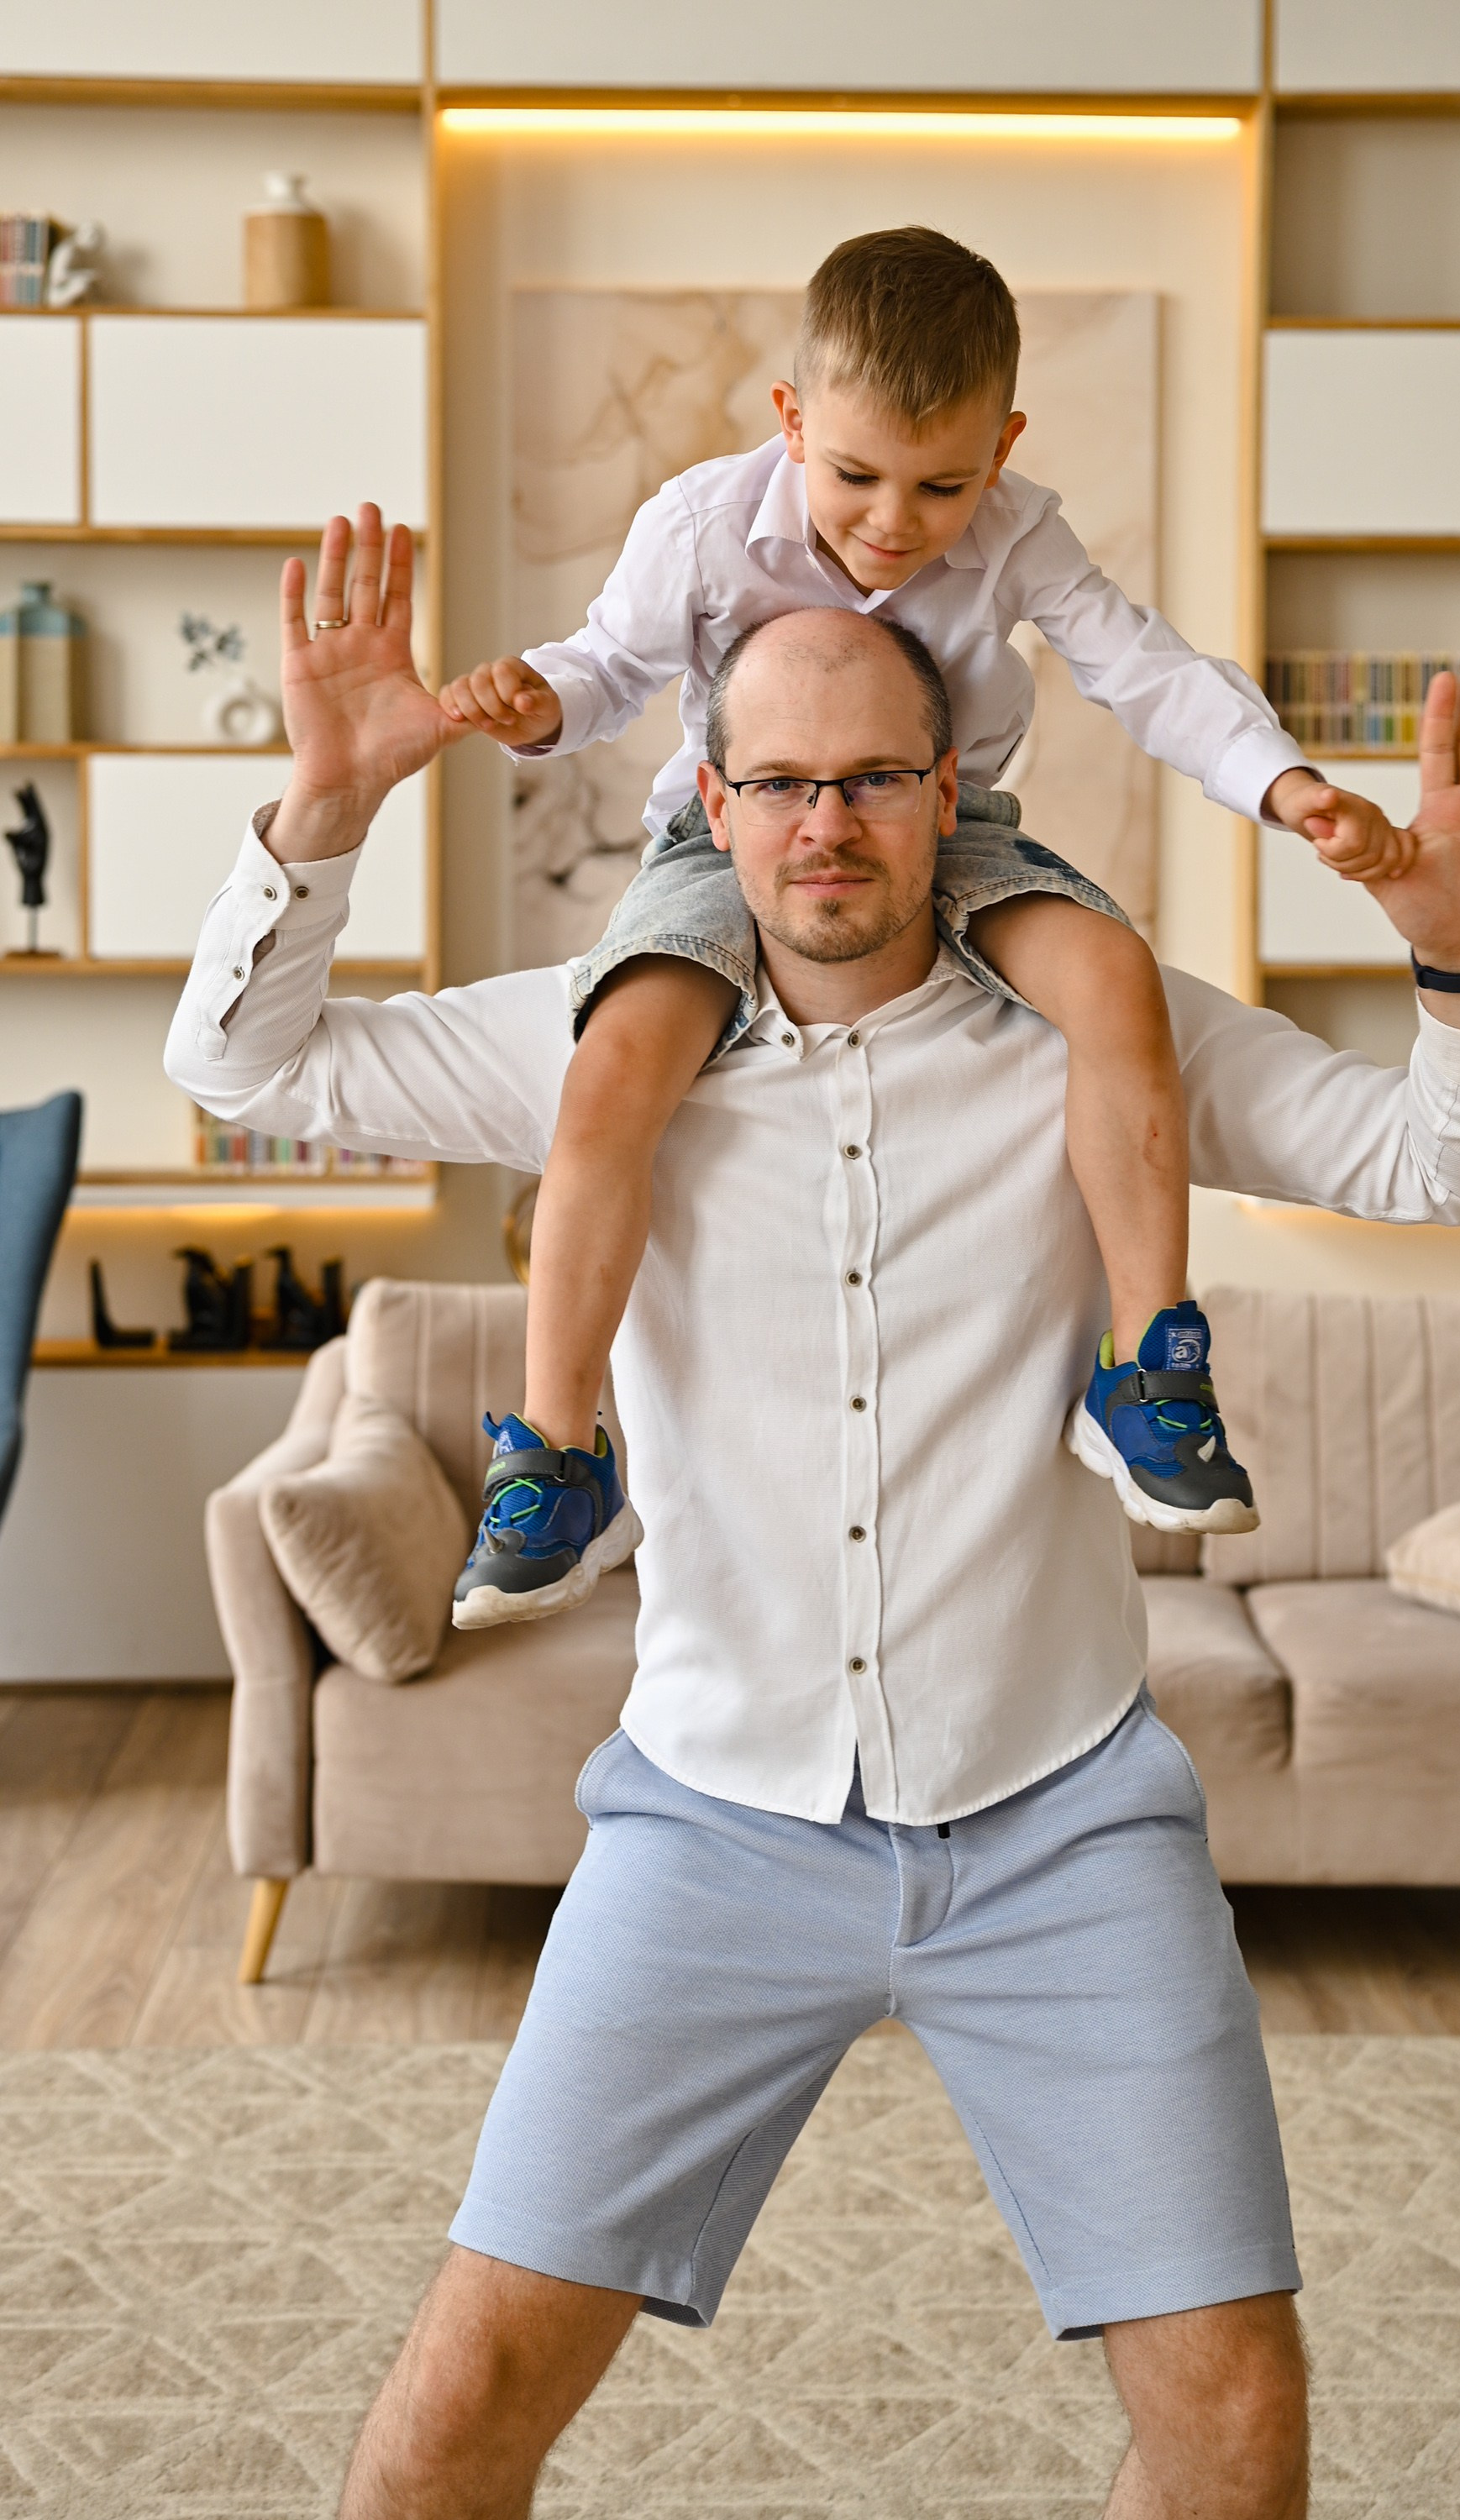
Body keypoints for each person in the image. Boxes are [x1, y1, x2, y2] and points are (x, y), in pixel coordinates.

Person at [165, 504, 1460, 2520]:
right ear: (712, 803)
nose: (830, 823)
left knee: (1238, 2417)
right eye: (785, 783)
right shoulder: (592, 1042)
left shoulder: (1111, 1034)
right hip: (708, 1827)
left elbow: (1448, 1169)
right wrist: (321, 804)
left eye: (877, 779)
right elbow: (237, 1064)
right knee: (460, 2405)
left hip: (1066, 1822)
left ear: (953, 789)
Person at [434, 228, 1410, 1628]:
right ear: (790, 422)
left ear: (1003, 446)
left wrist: (1288, 784)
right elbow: (609, 661)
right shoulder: (705, 523)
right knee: (612, 1070)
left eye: (945, 484)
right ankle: (560, 1452)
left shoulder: (1018, 530)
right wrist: (541, 702)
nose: (893, 524)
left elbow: (1146, 670)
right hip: (738, 841)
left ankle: (1149, 1364)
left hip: (953, 836)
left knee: (1118, 979)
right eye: (854, 477)